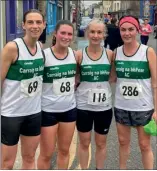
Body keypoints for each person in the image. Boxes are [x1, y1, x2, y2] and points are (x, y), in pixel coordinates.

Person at [1, 9, 46, 169]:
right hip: (11, 114)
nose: (35, 26)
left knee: (29, 158)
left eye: (38, 22)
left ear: (44, 25)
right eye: (30, 22)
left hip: (33, 113)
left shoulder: (41, 47)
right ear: (23, 25)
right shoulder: (12, 48)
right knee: (7, 163)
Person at [113, 15, 157, 169]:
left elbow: (155, 83)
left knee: (144, 145)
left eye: (131, 29)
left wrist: (156, 110)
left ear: (138, 30)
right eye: (123, 30)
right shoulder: (116, 53)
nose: (127, 33)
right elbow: (111, 78)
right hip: (121, 106)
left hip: (143, 107)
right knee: (123, 142)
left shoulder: (147, 51)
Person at [37, 20, 77, 170]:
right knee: (46, 154)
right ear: (55, 34)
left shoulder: (75, 55)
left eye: (69, 34)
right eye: (63, 33)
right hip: (48, 111)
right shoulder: (44, 56)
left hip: (69, 110)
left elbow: (78, 78)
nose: (66, 37)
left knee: (64, 150)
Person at [76, 19, 113, 170]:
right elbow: (75, 77)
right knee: (84, 143)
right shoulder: (79, 55)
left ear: (104, 35)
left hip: (104, 108)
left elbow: (113, 77)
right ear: (86, 34)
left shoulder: (110, 55)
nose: (96, 35)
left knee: (101, 143)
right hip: (83, 106)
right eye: (92, 32)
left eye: (99, 32)